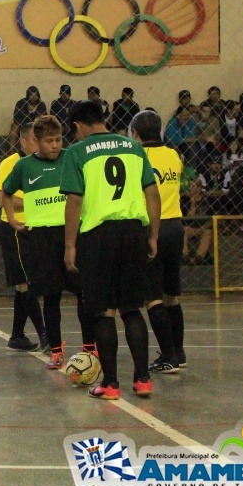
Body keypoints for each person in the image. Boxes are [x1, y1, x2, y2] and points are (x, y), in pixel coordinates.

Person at [61, 100, 161, 400]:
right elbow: (153, 193)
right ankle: (143, 380)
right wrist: (152, 235)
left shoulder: (76, 152)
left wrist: (70, 245)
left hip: (99, 234)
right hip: (134, 231)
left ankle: (111, 384)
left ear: (78, 126)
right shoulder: (134, 147)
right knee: (132, 308)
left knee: (103, 311)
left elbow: (74, 201)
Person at [1, 115, 90, 369]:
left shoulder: (71, 159)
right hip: (41, 237)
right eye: (49, 141)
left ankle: (89, 348)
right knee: (51, 297)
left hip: (70, 233)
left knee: (83, 292)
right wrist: (12, 219)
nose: (55, 145)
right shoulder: (24, 166)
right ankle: (56, 350)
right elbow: (5, 193)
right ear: (35, 141)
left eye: (59, 139)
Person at [129, 110, 186, 373]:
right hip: (175, 225)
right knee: (171, 295)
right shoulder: (173, 155)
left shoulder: (138, 157)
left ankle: (167, 356)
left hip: (152, 226)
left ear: (135, 133)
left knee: (151, 296)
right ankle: (179, 351)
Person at [0, 123, 46, 352]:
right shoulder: (10, 163)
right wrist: (33, 202)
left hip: (37, 228)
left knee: (23, 285)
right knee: (26, 284)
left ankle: (17, 335)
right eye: (35, 140)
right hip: (14, 228)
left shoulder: (41, 164)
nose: (39, 144)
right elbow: (1, 197)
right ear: (24, 142)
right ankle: (46, 335)